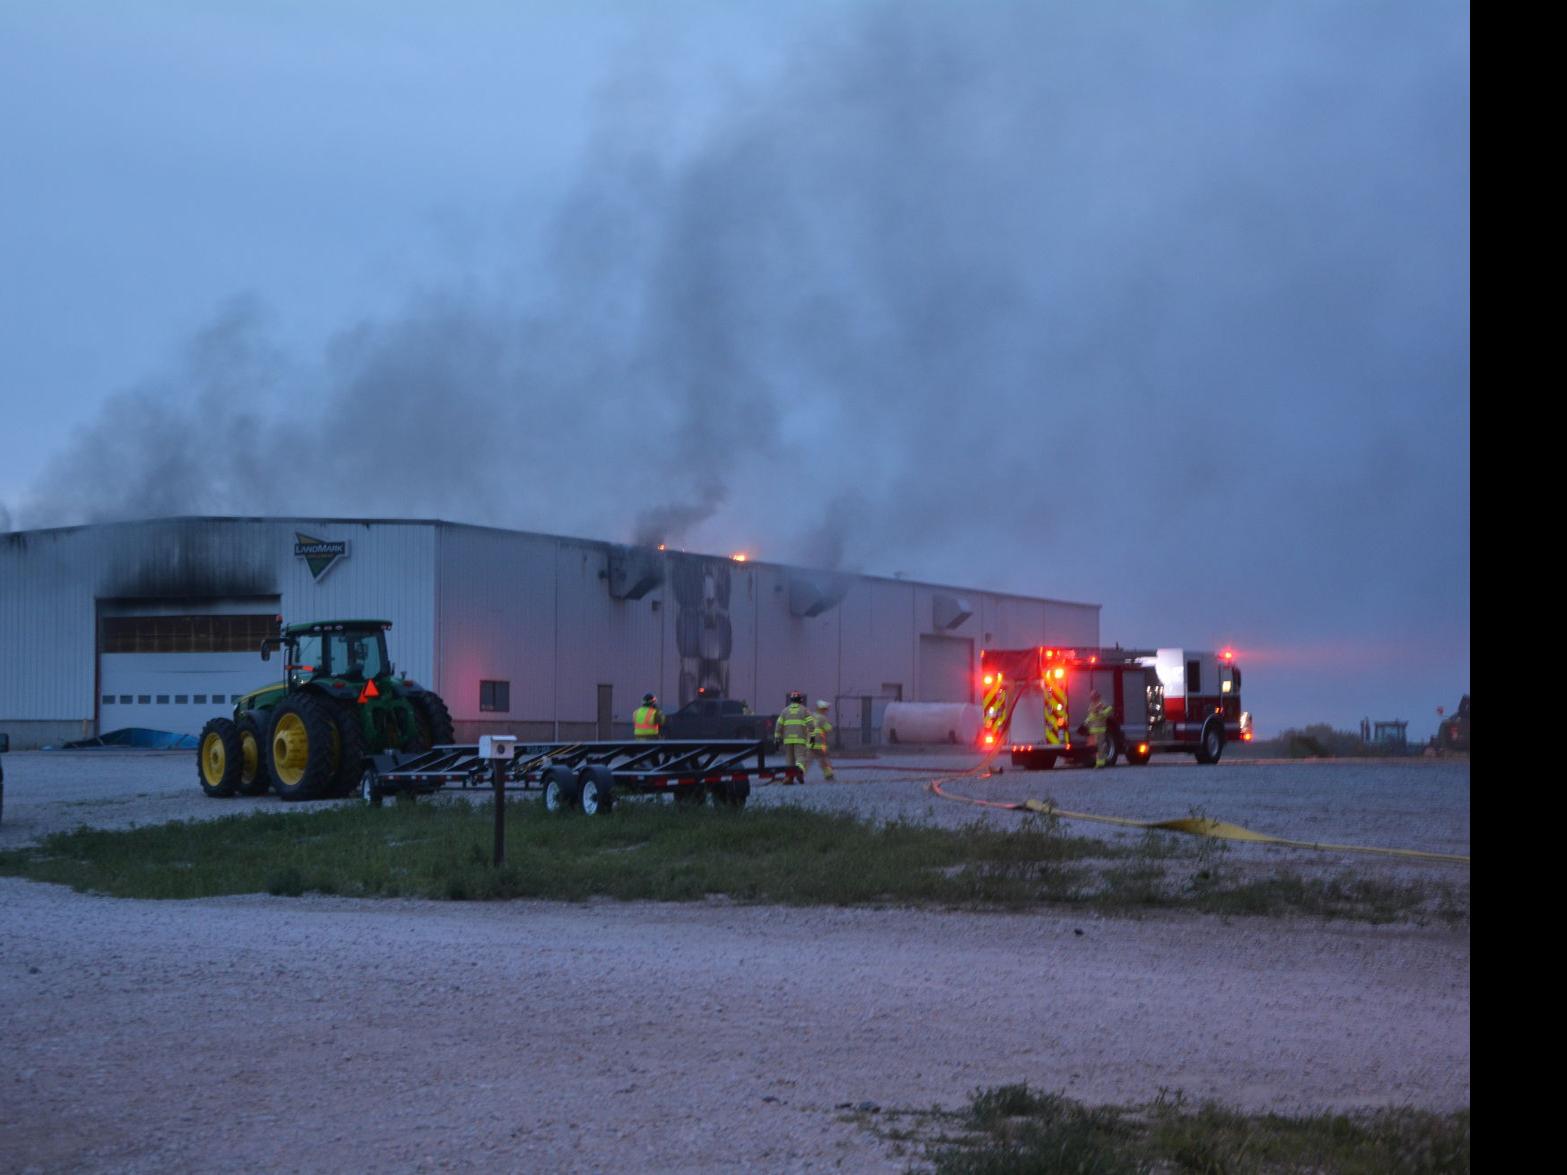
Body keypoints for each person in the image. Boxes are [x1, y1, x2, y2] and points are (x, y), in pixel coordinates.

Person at [773, 690, 812, 783]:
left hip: (788, 740)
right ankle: (799, 772)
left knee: (789, 759)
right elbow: (811, 725)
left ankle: (789, 778)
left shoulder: (785, 711)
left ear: (791, 700)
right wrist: (813, 736)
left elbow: (778, 725)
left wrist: (777, 738)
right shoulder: (804, 710)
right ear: (800, 700)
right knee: (800, 757)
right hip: (800, 739)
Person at [1086, 689, 1115, 768]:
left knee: (1100, 747)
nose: (1092, 698)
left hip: (1100, 729)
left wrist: (1103, 714)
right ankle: (1099, 761)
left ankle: (1101, 763)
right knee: (1095, 748)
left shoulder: (1101, 703)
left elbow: (1110, 709)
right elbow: (1091, 715)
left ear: (1097, 696)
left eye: (1093, 696)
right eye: (1091, 697)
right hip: (1093, 730)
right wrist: (1087, 722)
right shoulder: (1092, 704)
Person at [808, 699, 836, 781]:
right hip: (819, 744)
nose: (827, 710)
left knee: (807, 761)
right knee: (824, 760)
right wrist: (830, 726)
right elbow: (828, 729)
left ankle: (799, 774)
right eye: (826, 709)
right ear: (822, 709)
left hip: (810, 743)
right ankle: (829, 775)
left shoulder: (812, 716)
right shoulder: (822, 718)